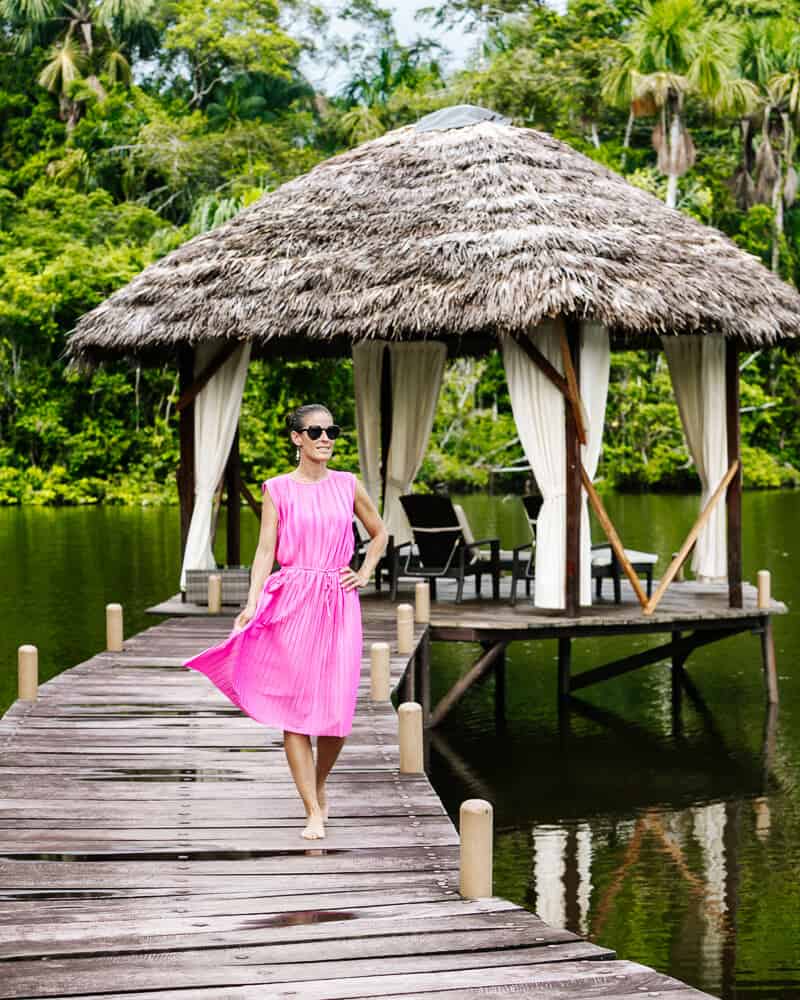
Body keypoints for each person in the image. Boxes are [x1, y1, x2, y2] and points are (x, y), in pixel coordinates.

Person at [182, 404, 387, 840]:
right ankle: (312, 809)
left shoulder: (348, 485)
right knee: (296, 712)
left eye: (332, 430)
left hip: (339, 599)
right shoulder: (277, 489)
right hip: (292, 600)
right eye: (316, 431)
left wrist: (365, 570)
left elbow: (379, 532)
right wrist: (252, 602)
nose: (326, 438)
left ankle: (319, 781)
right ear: (297, 438)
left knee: (337, 714)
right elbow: (263, 551)